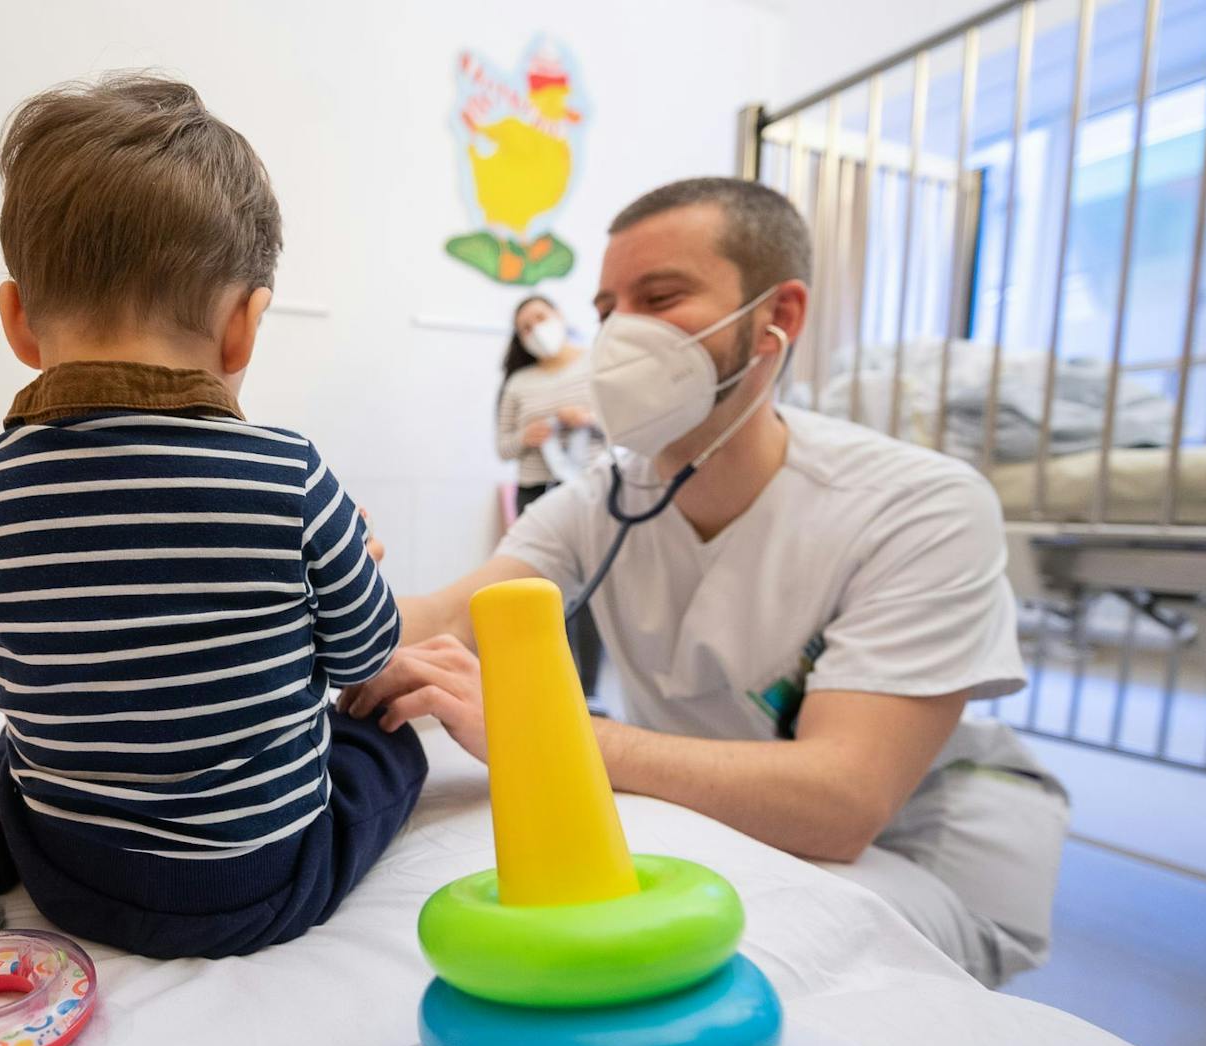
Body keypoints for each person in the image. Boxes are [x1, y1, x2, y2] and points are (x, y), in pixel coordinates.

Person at [345, 178, 1067, 988]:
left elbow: (842, 801)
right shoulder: (601, 499)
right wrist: (311, 578)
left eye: (661, 297)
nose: (621, 333)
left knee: (706, 956)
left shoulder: (920, 506)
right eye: (610, 306)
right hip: (717, 815)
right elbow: (444, 617)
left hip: (916, 847)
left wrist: (539, 730)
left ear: (777, 318)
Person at [0, 74, 426, 961]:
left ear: (17, 319)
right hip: (265, 882)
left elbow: (2, 679)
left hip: (71, 875)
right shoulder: (290, 472)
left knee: (22, 745)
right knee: (388, 743)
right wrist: (347, 558)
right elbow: (365, 655)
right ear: (245, 327)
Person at [493, 294, 603, 694]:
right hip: (535, 493)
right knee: (543, 592)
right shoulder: (519, 383)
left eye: (540, 317)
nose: (535, 328)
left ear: (559, 314)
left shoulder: (596, 364)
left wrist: (589, 420)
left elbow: (624, 426)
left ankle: (587, 691)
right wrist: (525, 437)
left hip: (588, 492)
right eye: (525, 326)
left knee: (590, 592)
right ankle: (554, 684)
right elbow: (503, 446)